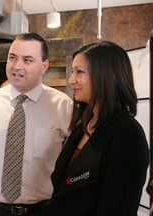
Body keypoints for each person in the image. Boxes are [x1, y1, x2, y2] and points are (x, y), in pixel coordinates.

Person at [0, 32, 73, 216]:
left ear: (44, 66)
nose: (17, 66)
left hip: (43, 210)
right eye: (12, 57)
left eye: (27, 60)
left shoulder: (63, 107)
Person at [50, 41, 149, 215]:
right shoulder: (83, 126)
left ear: (105, 75)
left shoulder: (127, 134)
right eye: (73, 72)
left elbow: (118, 206)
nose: (71, 79)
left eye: (79, 72)